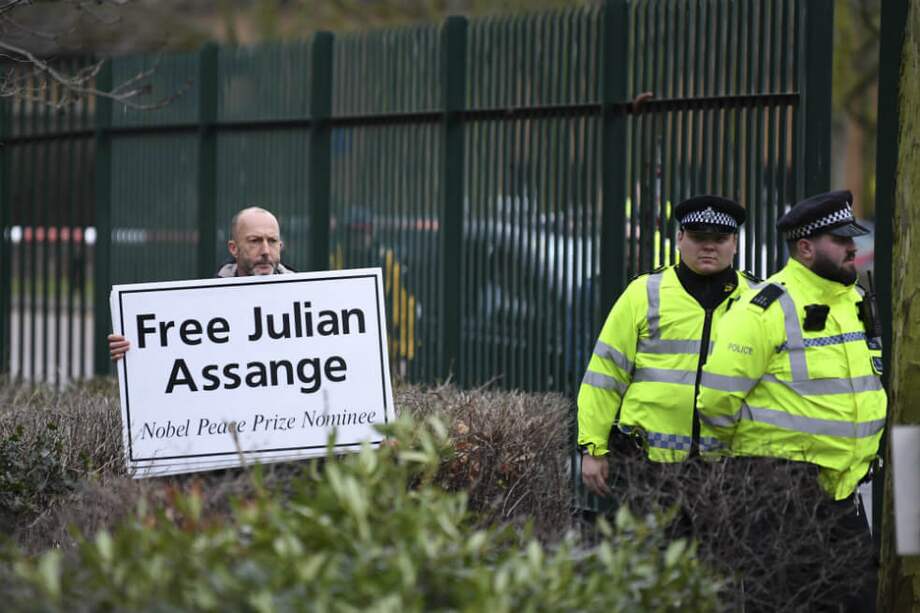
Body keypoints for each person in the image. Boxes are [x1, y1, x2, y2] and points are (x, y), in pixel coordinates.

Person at [697, 190, 885, 610]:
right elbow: (714, 402)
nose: (853, 246)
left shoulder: (853, 301)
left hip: (844, 495)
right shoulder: (765, 308)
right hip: (781, 500)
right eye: (840, 240)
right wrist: (765, 459)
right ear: (805, 248)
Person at [578, 195, 758, 497]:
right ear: (679, 238)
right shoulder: (644, 293)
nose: (709, 245)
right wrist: (593, 448)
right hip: (649, 465)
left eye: (720, 238)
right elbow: (604, 374)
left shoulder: (758, 299)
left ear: (735, 243)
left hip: (730, 469)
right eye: (699, 237)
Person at [108, 206, 295, 361]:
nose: (265, 250)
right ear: (233, 248)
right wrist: (131, 349)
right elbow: (170, 345)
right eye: (254, 241)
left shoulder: (304, 294)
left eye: (272, 241)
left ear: (280, 246)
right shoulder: (204, 303)